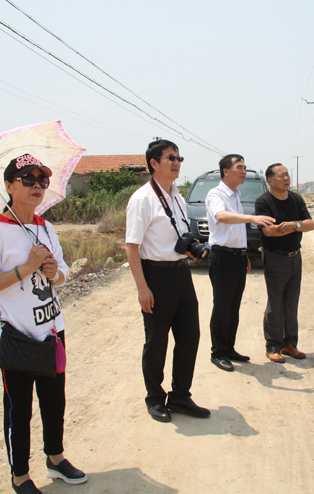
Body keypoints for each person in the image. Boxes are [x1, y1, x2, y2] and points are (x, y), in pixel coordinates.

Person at [0, 154, 87, 494]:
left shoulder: (45, 227)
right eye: (28, 180)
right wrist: (27, 267)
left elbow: (62, 272)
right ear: (9, 186)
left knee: (54, 402)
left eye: (42, 180)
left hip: (51, 330)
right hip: (18, 336)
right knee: (18, 411)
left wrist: (54, 272)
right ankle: (20, 475)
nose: (37, 186)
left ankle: (56, 457)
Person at [125, 139, 210, 423]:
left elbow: (178, 236)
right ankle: (154, 398)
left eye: (179, 158)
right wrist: (142, 288)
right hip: (156, 275)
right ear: (153, 163)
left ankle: (180, 395)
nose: (176, 163)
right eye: (170, 158)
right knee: (157, 341)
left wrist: (191, 249)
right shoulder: (142, 199)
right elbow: (132, 246)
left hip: (181, 273)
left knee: (189, 336)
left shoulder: (178, 197)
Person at [206, 154, 276, 372]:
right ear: (226, 171)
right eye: (239, 167)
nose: (244, 171)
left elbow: (235, 230)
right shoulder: (216, 194)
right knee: (222, 306)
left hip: (236, 257)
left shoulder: (236, 194)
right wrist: (252, 218)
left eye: (244, 167)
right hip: (222, 257)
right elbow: (222, 217)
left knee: (233, 306)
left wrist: (243, 253)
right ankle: (218, 352)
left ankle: (229, 348)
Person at [254, 163, 314, 363]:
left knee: (291, 302)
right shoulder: (264, 202)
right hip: (275, 257)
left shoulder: (296, 199)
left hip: (295, 257)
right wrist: (297, 226)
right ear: (270, 180)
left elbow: (310, 224)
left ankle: (290, 344)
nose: (286, 178)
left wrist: (293, 225)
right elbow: (269, 231)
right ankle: (273, 346)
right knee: (275, 303)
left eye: (287, 175)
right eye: (281, 176)